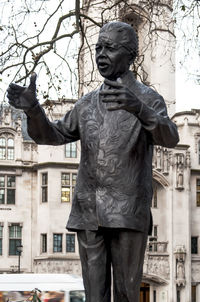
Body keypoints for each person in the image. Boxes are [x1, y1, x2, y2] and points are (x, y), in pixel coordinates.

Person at [7, 21, 179, 302]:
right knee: (94, 296)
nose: (101, 54)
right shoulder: (86, 103)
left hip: (127, 211)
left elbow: (170, 137)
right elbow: (52, 135)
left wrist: (138, 108)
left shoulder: (148, 98)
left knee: (125, 294)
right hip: (88, 212)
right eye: (98, 47)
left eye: (109, 48)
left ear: (131, 55)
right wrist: (33, 110)